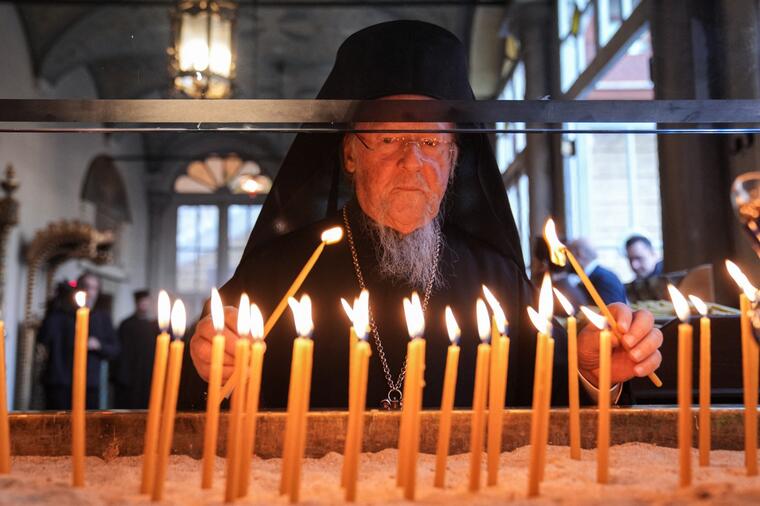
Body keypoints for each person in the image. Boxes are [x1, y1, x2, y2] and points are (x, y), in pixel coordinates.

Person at [181, 21, 662, 410]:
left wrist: (592, 374)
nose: (412, 161)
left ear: (454, 160)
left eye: (432, 142)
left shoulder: (499, 277)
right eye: (389, 139)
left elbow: (546, 400)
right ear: (350, 153)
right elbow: (206, 394)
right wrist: (213, 366)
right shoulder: (278, 271)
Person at [38, 272, 120, 409]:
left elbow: (115, 349)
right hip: (60, 383)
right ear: (77, 289)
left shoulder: (102, 318)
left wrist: (98, 345)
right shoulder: (60, 314)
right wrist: (56, 304)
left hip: (88, 384)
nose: (90, 292)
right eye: (86, 286)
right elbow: (43, 338)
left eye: (94, 288)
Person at [113, 290, 160, 409]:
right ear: (136, 303)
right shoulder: (126, 324)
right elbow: (120, 350)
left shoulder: (154, 326)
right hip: (130, 374)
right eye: (141, 302)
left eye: (146, 301)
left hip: (149, 373)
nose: (144, 304)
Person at [567, 238, 628, 305]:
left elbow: (613, 311)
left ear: (580, 253)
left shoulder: (605, 279)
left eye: (569, 255)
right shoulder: (595, 277)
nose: (567, 261)